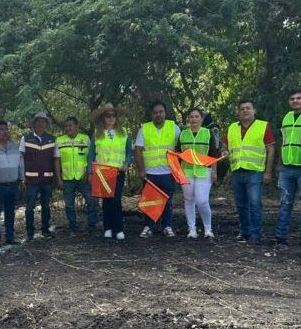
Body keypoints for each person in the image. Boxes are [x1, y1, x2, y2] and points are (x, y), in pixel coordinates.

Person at [222, 100, 275, 244]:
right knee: (240, 204)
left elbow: (271, 149)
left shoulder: (263, 126)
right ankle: (244, 232)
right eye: (242, 109)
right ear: (238, 112)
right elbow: (224, 146)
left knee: (255, 203)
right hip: (237, 171)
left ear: (254, 110)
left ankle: (255, 234)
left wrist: (268, 172)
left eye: (248, 108)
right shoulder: (232, 127)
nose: (245, 111)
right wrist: (224, 151)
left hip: (255, 171)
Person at [134, 101, 181, 238]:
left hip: (168, 172)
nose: (158, 115)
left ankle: (167, 226)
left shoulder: (174, 128)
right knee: (149, 201)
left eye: (161, 112)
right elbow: (138, 150)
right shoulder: (144, 129)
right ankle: (149, 226)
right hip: (150, 173)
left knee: (167, 201)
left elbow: (181, 148)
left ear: (165, 113)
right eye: (155, 112)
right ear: (151, 114)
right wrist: (141, 170)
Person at [275, 88, 301, 247]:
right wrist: (280, 164)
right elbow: (284, 142)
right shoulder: (287, 117)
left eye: (299, 98)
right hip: (286, 167)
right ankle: (280, 236)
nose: (295, 101)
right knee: (284, 202)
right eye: (292, 99)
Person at [88, 103, 132, 240]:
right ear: (103, 117)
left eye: (113, 115)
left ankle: (118, 229)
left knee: (116, 199)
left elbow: (129, 152)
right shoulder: (97, 133)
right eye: (108, 115)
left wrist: (127, 163)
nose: (111, 118)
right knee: (106, 200)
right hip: (102, 172)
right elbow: (91, 154)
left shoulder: (123, 132)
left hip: (118, 171)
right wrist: (90, 172)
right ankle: (108, 228)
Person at [177, 108, 219, 238]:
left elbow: (214, 154)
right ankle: (192, 230)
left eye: (196, 116)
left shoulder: (207, 133)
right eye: (191, 116)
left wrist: (214, 171)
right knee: (189, 200)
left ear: (201, 118)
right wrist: (177, 171)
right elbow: (178, 153)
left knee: (202, 200)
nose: (194, 119)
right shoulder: (183, 134)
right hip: (187, 171)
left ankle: (208, 229)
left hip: (204, 171)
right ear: (188, 119)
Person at [55, 116, 98, 235]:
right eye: (66, 126)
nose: (68, 128)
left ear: (77, 126)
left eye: (70, 125)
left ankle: (92, 226)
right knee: (69, 205)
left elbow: (91, 157)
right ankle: (73, 227)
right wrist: (58, 178)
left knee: (91, 201)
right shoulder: (60, 140)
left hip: (83, 177)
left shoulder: (85, 139)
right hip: (67, 178)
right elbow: (57, 160)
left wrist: (89, 173)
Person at [20, 112, 57, 241]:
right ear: (34, 123)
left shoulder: (52, 139)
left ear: (46, 124)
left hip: (47, 179)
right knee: (30, 207)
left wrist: (56, 178)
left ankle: (45, 230)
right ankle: (29, 233)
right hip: (31, 180)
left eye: (43, 122)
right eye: (38, 121)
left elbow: (56, 159)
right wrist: (22, 177)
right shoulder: (26, 138)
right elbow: (21, 159)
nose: (41, 124)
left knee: (46, 206)